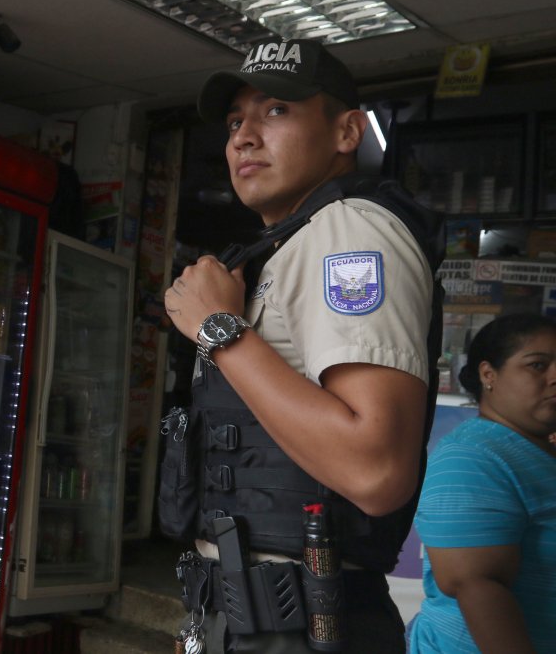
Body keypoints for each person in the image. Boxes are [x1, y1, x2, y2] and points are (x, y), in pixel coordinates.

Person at [160, 36, 444, 653]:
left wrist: (219, 331)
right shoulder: (293, 242)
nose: (243, 136)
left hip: (302, 624)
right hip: (252, 619)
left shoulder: (349, 230)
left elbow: (375, 470)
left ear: (346, 133)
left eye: (276, 110)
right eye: (236, 120)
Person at [409, 314, 556, 654]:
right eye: (537, 365)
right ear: (489, 374)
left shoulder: (535, 449)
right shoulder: (473, 457)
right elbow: (477, 585)